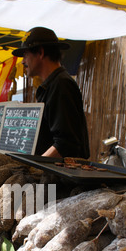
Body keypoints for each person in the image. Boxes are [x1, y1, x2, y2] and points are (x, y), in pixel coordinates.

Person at [12, 27, 90, 159]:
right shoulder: (51, 85)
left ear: (41, 53)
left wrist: (35, 166)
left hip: (61, 175)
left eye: (25, 55)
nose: (23, 61)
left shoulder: (61, 85)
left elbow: (66, 143)